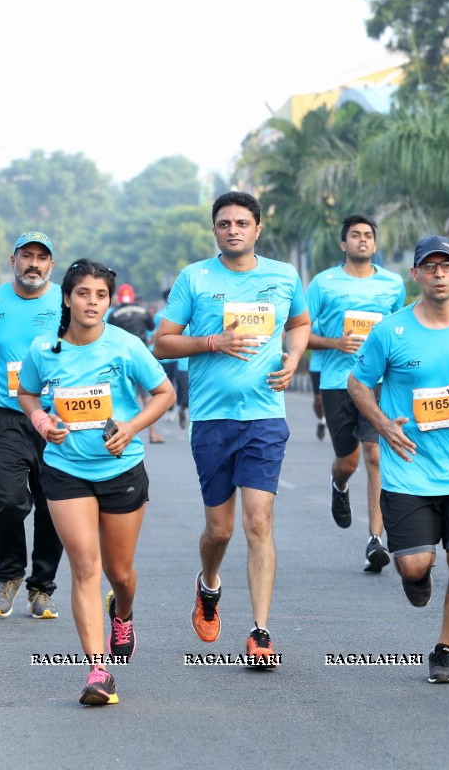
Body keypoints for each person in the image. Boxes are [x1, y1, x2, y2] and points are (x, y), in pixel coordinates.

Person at [153, 191, 310, 667]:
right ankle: (208, 585)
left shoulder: (283, 276)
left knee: (258, 522)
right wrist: (210, 341)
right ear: (215, 230)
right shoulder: (194, 278)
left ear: (258, 228)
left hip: (264, 416)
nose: (234, 230)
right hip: (212, 420)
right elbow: (162, 343)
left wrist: (294, 358)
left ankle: (260, 632)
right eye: (224, 223)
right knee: (219, 532)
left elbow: (300, 323)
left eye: (243, 222)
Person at [348, 234, 449, 684]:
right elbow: (358, 383)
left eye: (447, 265)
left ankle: (445, 648)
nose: (439, 274)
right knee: (415, 566)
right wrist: (382, 424)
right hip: (410, 466)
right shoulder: (390, 331)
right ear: (415, 274)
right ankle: (416, 575)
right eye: (430, 267)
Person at [18, 259, 175, 706]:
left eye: (101, 295)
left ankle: (122, 615)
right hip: (65, 470)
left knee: (119, 573)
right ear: (67, 298)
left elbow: (165, 393)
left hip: (120, 470)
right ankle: (98, 671)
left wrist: (132, 427)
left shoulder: (125, 346)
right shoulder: (43, 349)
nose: (92, 302)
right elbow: (27, 392)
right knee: (85, 566)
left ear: (109, 300)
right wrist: (41, 419)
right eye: (83, 293)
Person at [0, 231, 66, 620]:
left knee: (53, 504)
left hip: (57, 416)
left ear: (51, 265)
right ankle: (9, 576)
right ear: (14, 260)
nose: (34, 264)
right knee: (9, 499)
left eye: (42, 257)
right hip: (7, 417)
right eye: (27, 256)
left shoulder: (66, 301)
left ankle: (42, 588)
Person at [306, 215, 406, 571]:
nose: (362, 240)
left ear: (375, 245)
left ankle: (375, 539)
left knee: (375, 455)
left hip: (376, 382)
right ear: (343, 244)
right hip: (336, 383)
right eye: (355, 235)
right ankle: (339, 484)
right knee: (347, 462)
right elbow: (299, 329)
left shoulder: (393, 284)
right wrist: (334, 342)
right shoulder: (324, 283)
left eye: (368, 236)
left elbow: (401, 330)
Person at [107, 283, 163, 444]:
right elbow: (151, 328)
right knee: (149, 398)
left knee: (121, 397)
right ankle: (153, 433)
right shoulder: (143, 312)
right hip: (141, 359)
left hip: (120, 360)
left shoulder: (114, 314)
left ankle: (116, 435)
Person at [155, 289, 190, 429]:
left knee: (182, 385)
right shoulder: (160, 315)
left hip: (182, 359)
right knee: (168, 384)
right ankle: (170, 410)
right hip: (165, 358)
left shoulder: (186, 314)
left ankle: (182, 407)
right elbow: (157, 334)